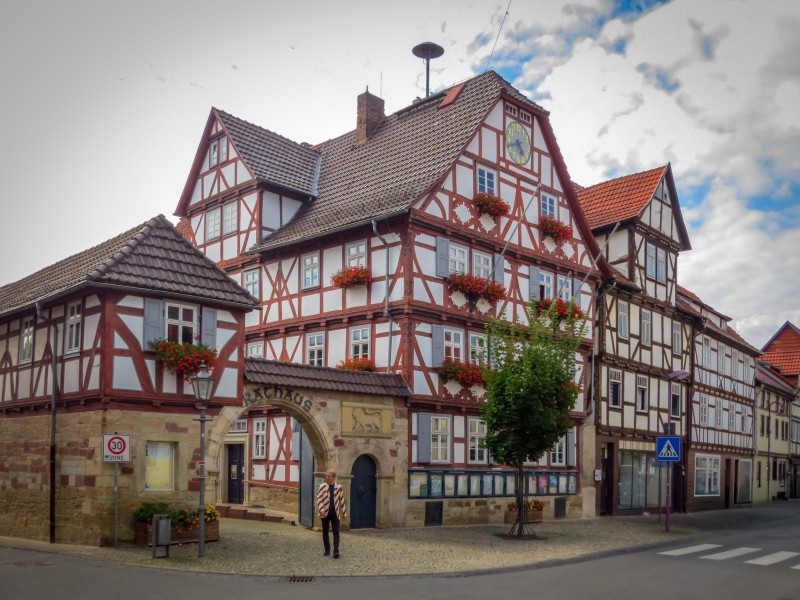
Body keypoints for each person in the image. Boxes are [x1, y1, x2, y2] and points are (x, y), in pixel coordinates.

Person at [316, 470, 346, 558]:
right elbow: (319, 499)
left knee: (336, 531)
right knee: (325, 531)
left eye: (329, 476)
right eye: (326, 476)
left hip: (335, 513)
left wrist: (344, 513)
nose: (327, 478)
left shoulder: (339, 487)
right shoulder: (322, 486)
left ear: (333, 477)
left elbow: (342, 500)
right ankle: (327, 549)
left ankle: (336, 551)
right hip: (325, 513)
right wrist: (321, 509)